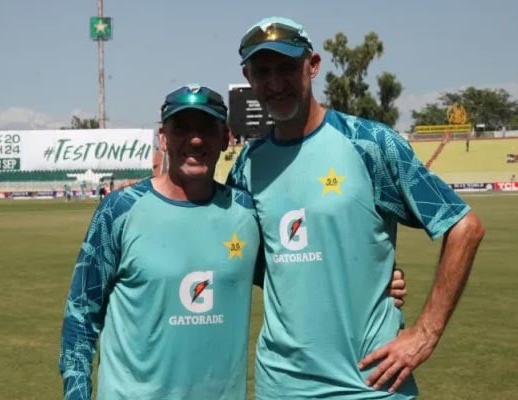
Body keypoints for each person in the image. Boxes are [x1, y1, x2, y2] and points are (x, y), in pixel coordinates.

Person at [58, 84, 409, 399]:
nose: (194, 140)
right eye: (181, 128)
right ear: (163, 137)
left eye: (206, 129)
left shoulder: (244, 211)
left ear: (225, 138)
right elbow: (80, 316)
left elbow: (295, 272)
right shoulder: (119, 211)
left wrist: (373, 279)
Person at [228, 16, 485, 399]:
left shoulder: (369, 143)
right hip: (281, 386)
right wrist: (358, 273)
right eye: (262, 71)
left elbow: (464, 226)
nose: (275, 83)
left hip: (370, 385)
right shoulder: (248, 165)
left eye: (286, 67)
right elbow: (250, 259)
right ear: (248, 77)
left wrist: (426, 332)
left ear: (312, 65)